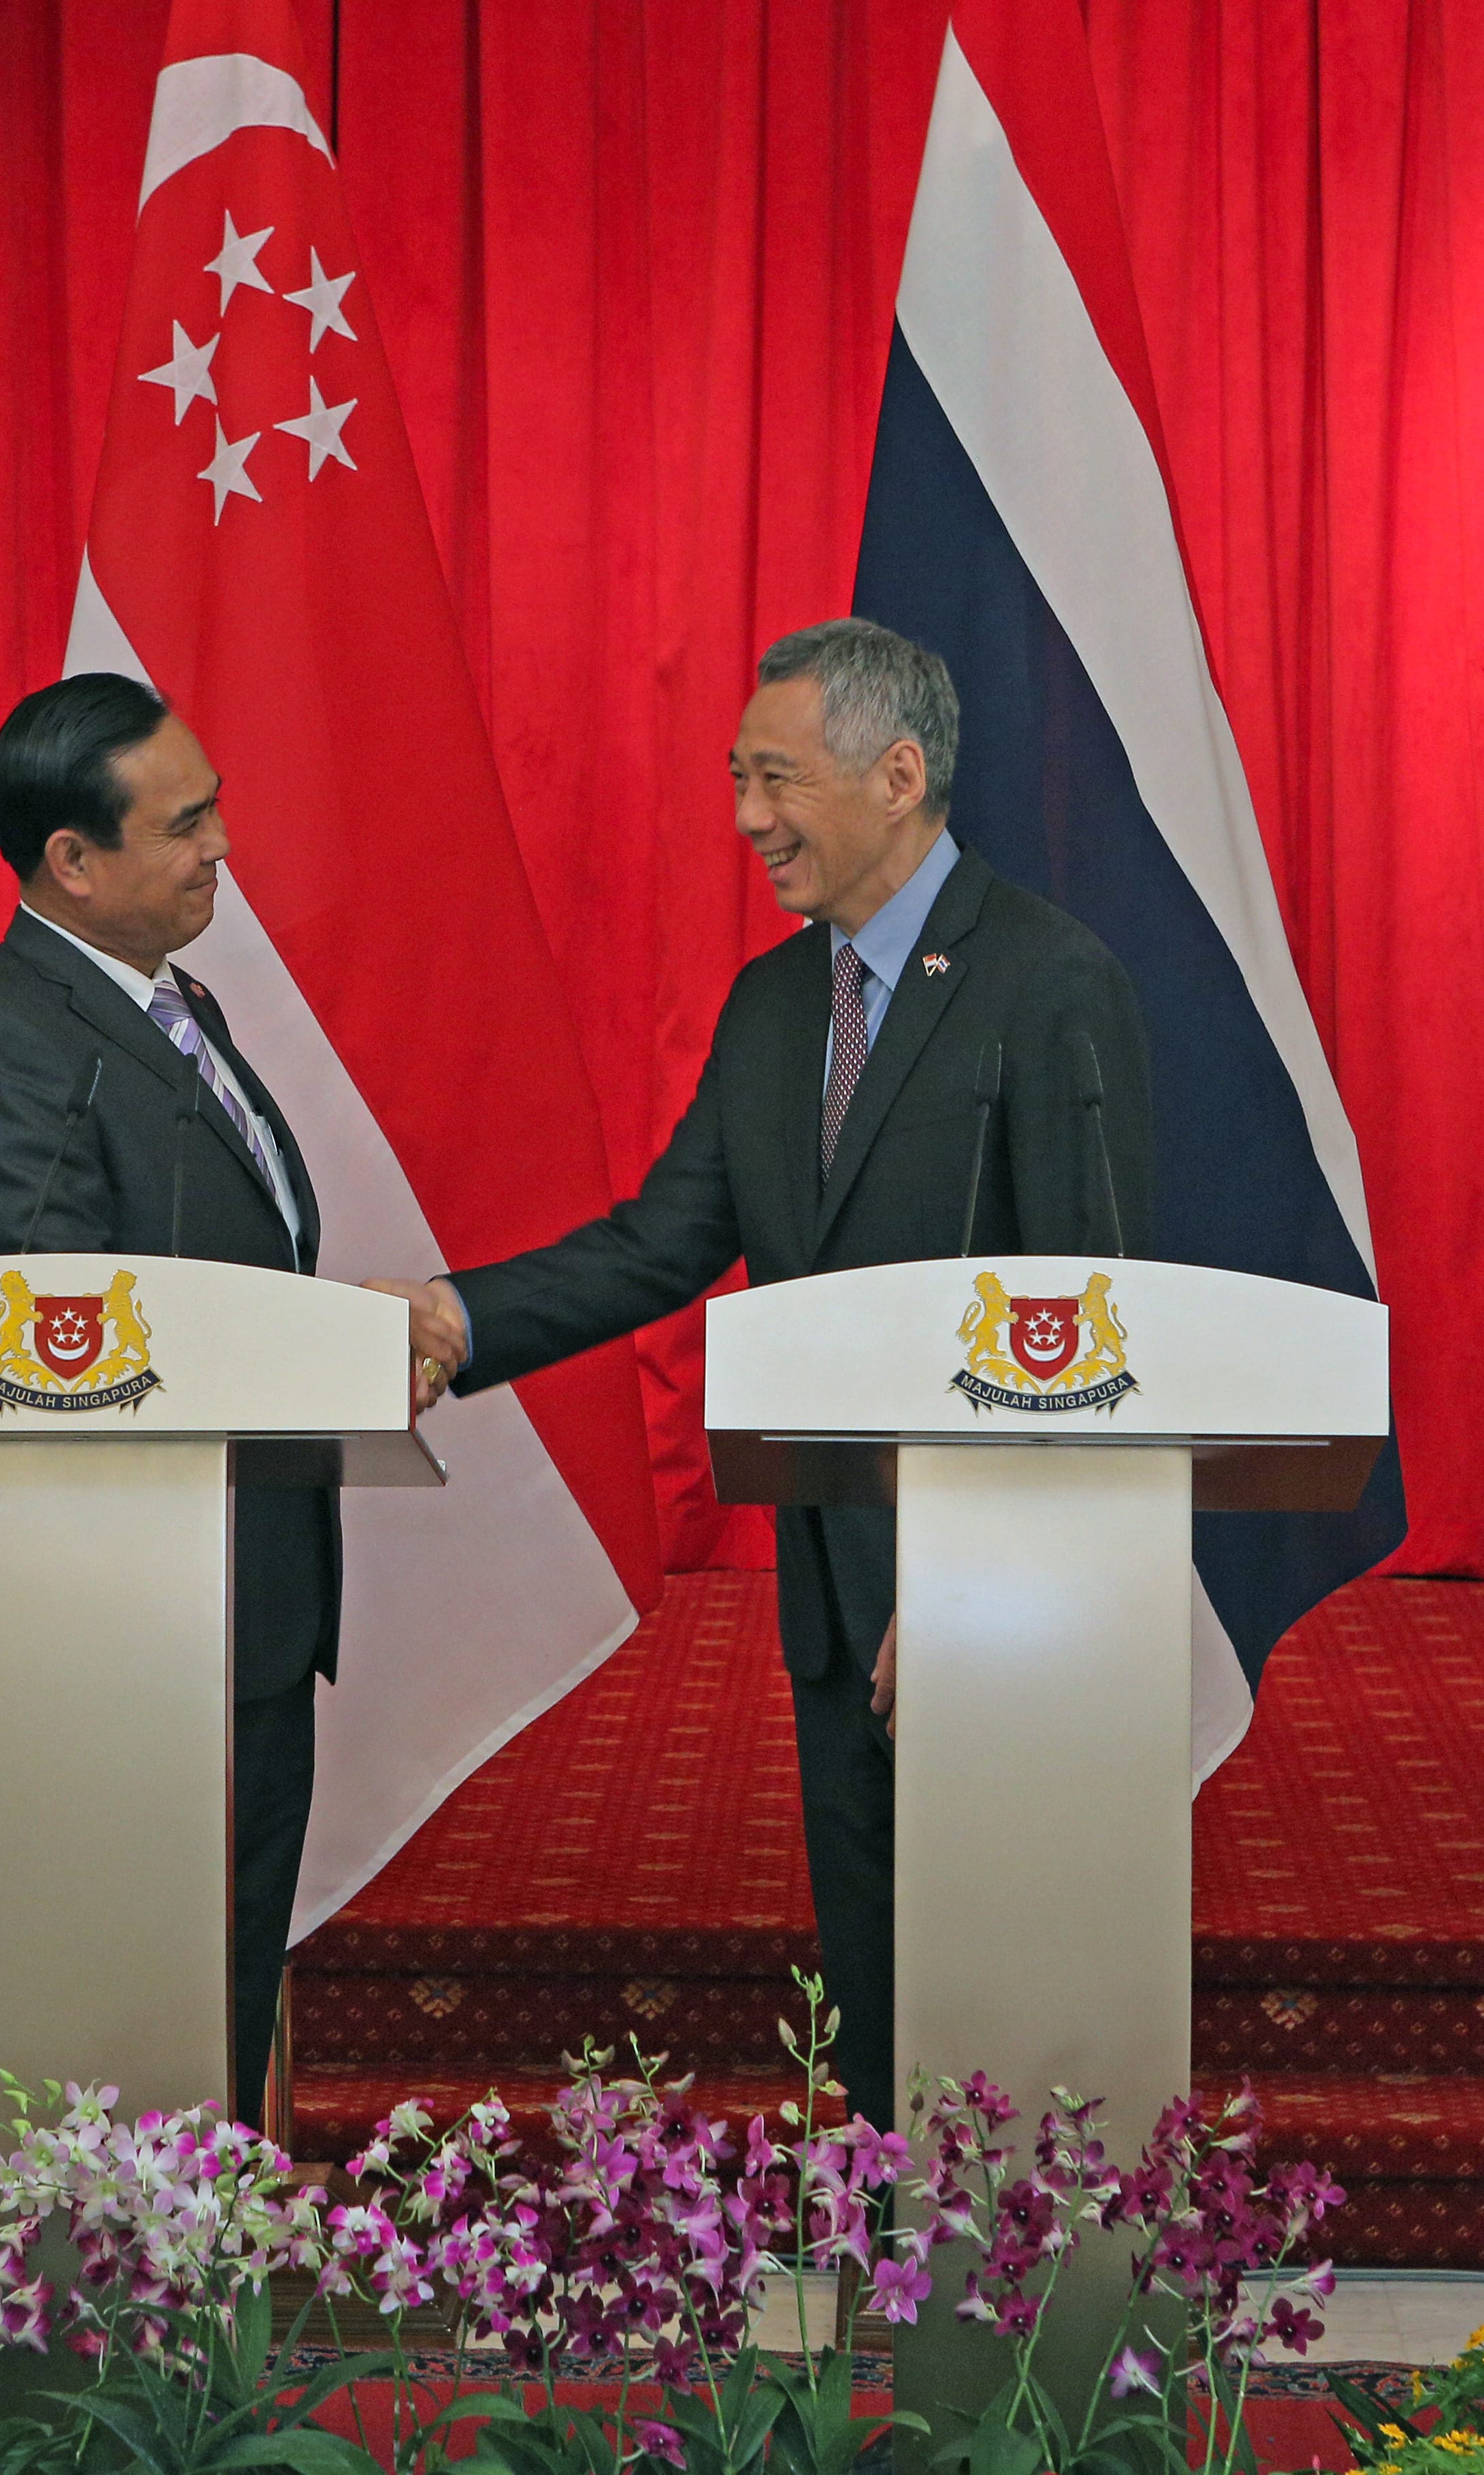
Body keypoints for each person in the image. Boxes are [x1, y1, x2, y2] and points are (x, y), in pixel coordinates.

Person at [383, 618, 1157, 2133]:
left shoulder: (1052, 985)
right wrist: (455, 1320)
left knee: (1007, 1977)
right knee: (873, 1968)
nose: (747, 817)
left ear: (901, 772)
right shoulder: (772, 1003)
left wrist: (978, 1580)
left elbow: (1099, 1326)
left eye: (776, 778)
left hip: (995, 1594)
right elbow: (665, 1240)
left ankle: (1013, 2323)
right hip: (830, 1573)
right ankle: (882, 2267)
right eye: (737, 777)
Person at [0, 671, 374, 2117]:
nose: (219, 846)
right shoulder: (12, 1040)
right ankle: (166, 2302)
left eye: (216, 805)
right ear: (73, 859)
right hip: (156, 1615)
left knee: (228, 1960)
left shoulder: (176, 1002)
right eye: (184, 824)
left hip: (248, 1586)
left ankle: (211, 2271)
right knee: (169, 1981)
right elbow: (73, 1347)